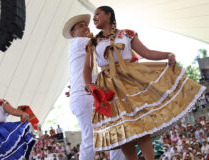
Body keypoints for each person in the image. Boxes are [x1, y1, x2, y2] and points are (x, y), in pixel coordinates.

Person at [83, 6, 206, 160]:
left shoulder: (127, 34)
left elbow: (146, 52)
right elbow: (87, 69)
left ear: (109, 15)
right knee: (123, 128)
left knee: (140, 123)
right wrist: (89, 85)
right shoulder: (93, 42)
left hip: (131, 80)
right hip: (109, 86)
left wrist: (167, 54)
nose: (94, 18)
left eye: (97, 14)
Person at [62, 14, 125, 160]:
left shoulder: (88, 46)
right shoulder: (78, 42)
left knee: (117, 131)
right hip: (85, 96)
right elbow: (105, 40)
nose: (85, 27)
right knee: (91, 138)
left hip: (90, 95)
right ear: (73, 33)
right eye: (80, 26)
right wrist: (120, 33)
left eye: (85, 24)